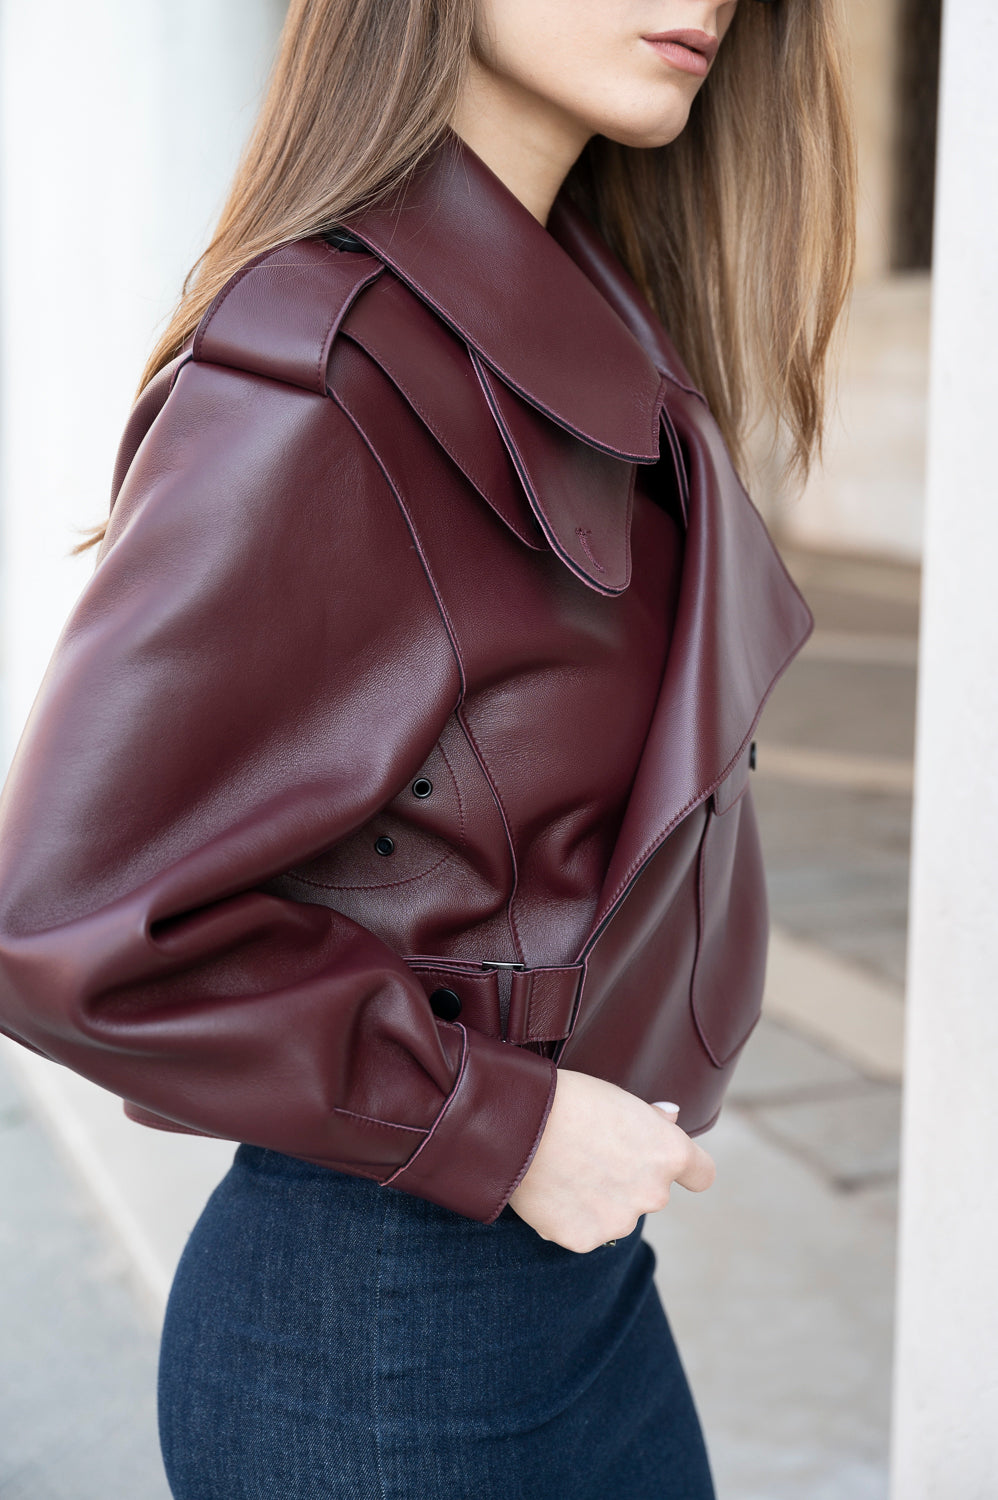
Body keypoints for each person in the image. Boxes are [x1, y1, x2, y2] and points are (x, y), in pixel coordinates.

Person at [0, 0, 855, 1495]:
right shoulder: (333, 367)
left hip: (555, 1290)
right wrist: (496, 1123)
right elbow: (60, 923)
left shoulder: (579, 328)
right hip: (388, 1331)